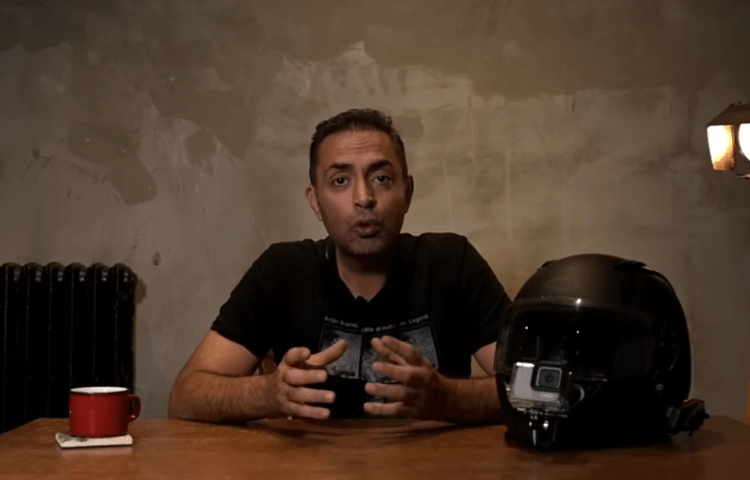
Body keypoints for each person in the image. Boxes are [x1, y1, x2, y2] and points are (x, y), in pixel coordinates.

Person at [168, 108, 510, 424]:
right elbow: (185, 397)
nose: (364, 198)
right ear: (315, 201)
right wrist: (267, 393)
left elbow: (537, 390)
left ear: (407, 191)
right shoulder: (283, 271)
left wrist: (447, 398)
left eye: (381, 178)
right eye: (340, 181)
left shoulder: (451, 262)